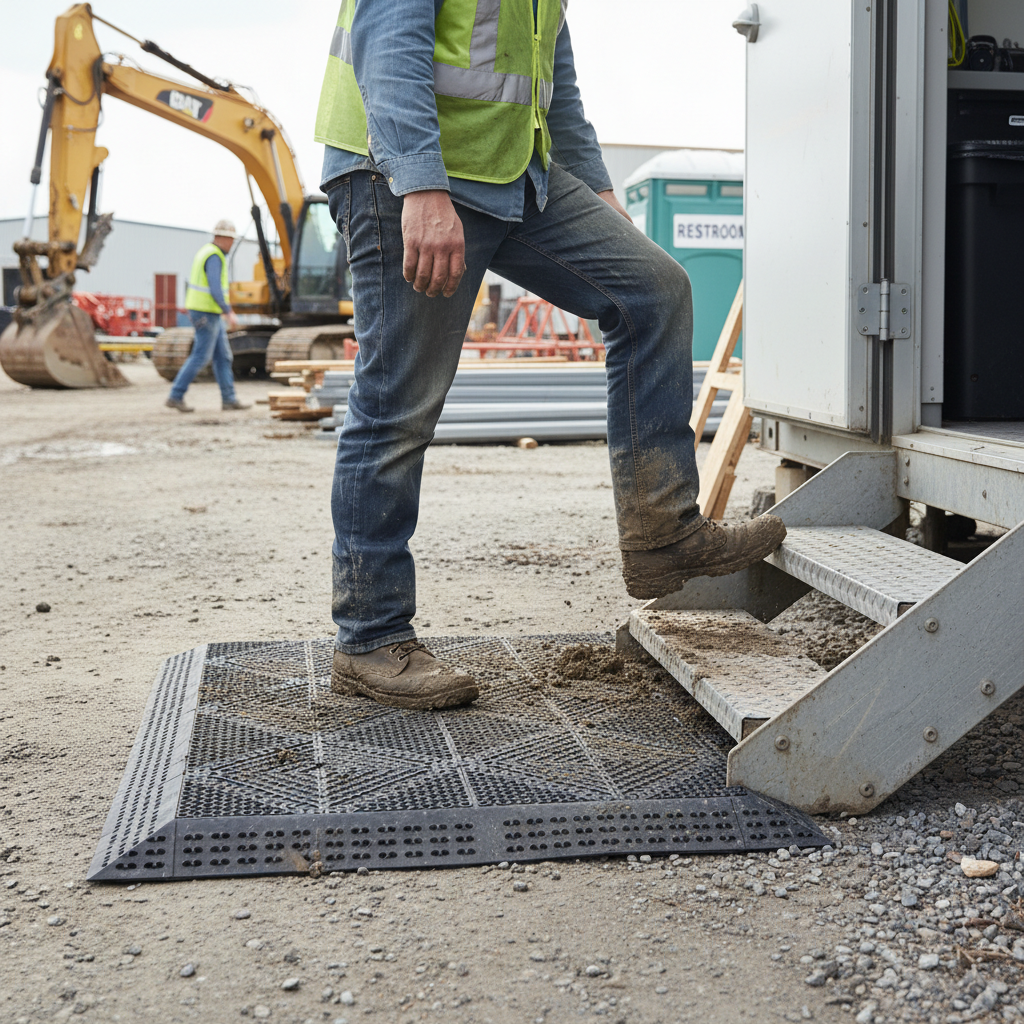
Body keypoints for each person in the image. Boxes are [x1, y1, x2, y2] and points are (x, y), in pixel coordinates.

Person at [315, 0, 786, 711]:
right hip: (404, 173)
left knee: (653, 290)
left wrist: (595, 187)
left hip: (515, 173)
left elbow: (549, 74)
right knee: (397, 409)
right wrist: (420, 183)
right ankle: (370, 639)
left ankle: (663, 532)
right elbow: (389, 41)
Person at [165, 219, 250, 413]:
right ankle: (175, 395)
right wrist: (228, 311)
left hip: (207, 311)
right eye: (230, 240)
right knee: (201, 355)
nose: (231, 244)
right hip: (206, 312)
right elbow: (215, 287)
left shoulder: (206, 251)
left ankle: (229, 399)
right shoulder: (215, 256)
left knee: (223, 356)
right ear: (222, 238)